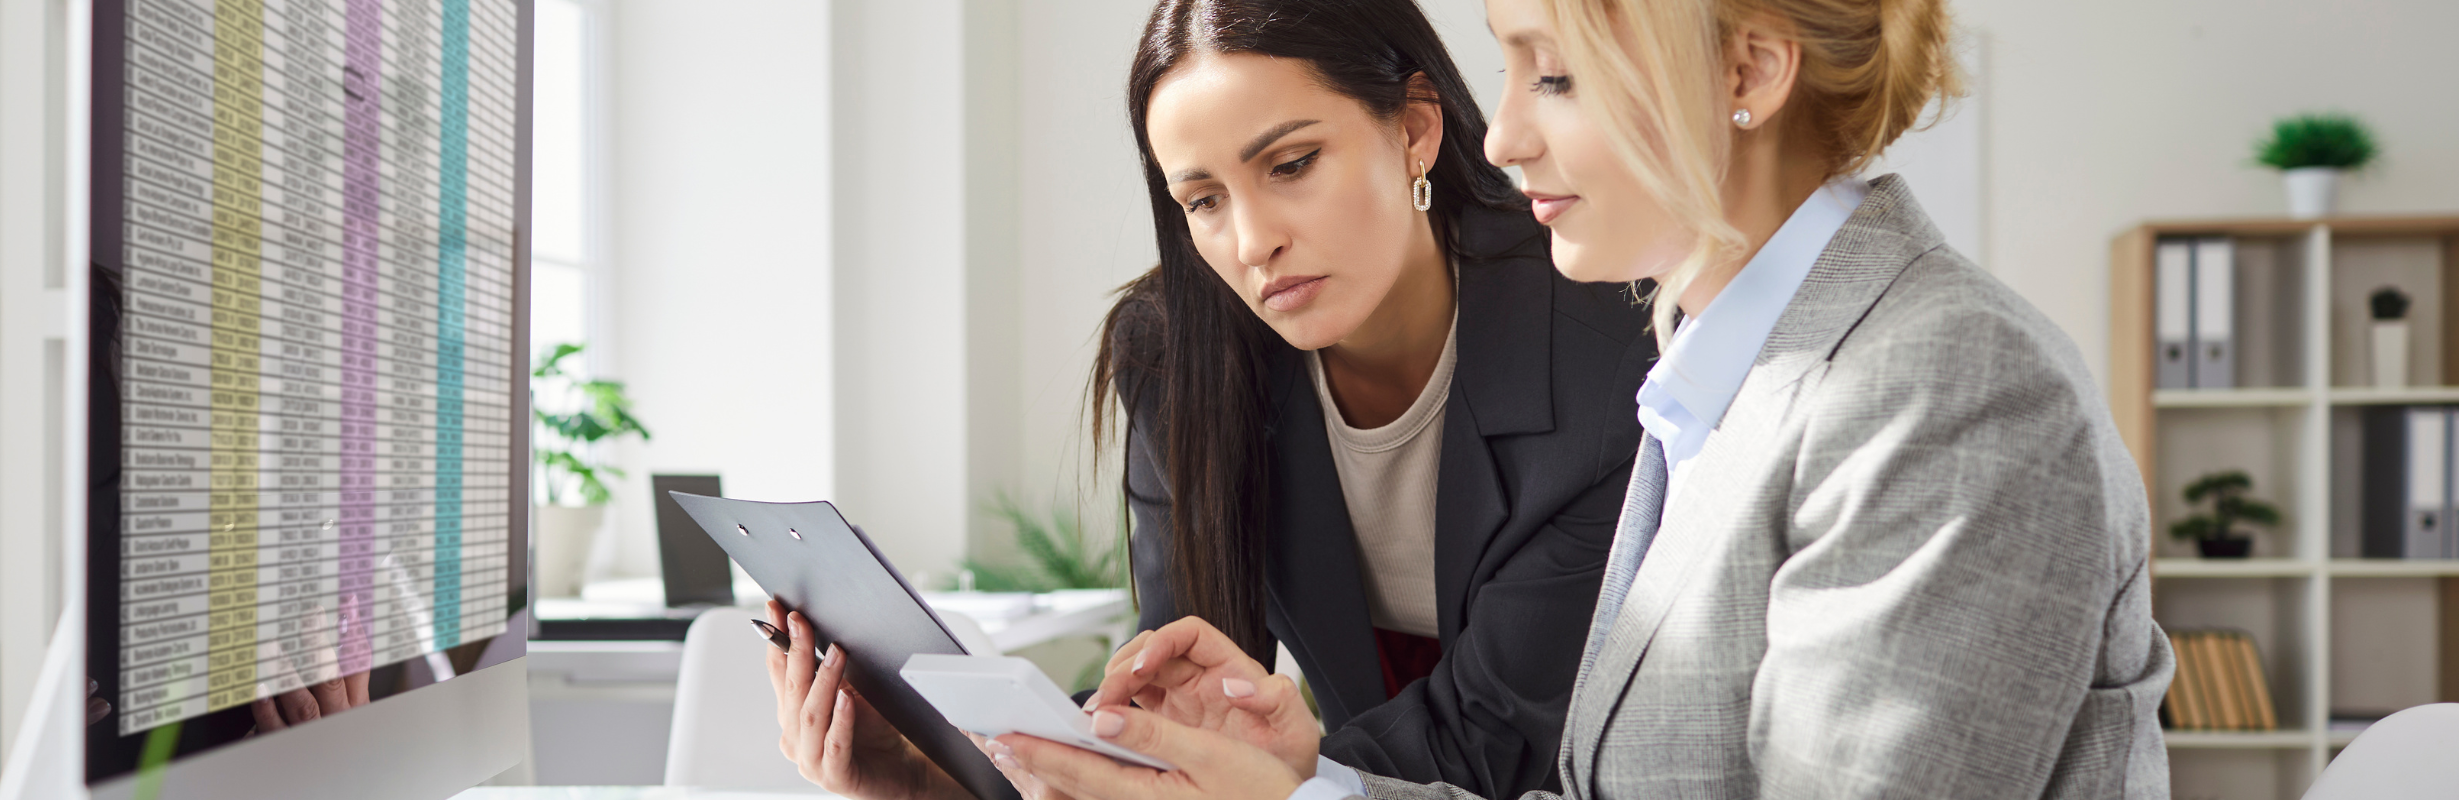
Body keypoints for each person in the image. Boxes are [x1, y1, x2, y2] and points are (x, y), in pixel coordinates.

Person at [992, 0, 2177, 798]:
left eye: (1552, 73)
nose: (1499, 135)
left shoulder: (1942, 391)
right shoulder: (1715, 379)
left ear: (1748, 73)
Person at [761, 0, 1658, 798]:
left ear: (1415, 128)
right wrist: (933, 780)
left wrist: (1266, 784)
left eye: (1293, 164)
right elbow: (1188, 699)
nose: (1253, 240)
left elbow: (1490, 741)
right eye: (1202, 200)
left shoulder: (1607, 346)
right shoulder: (1177, 353)